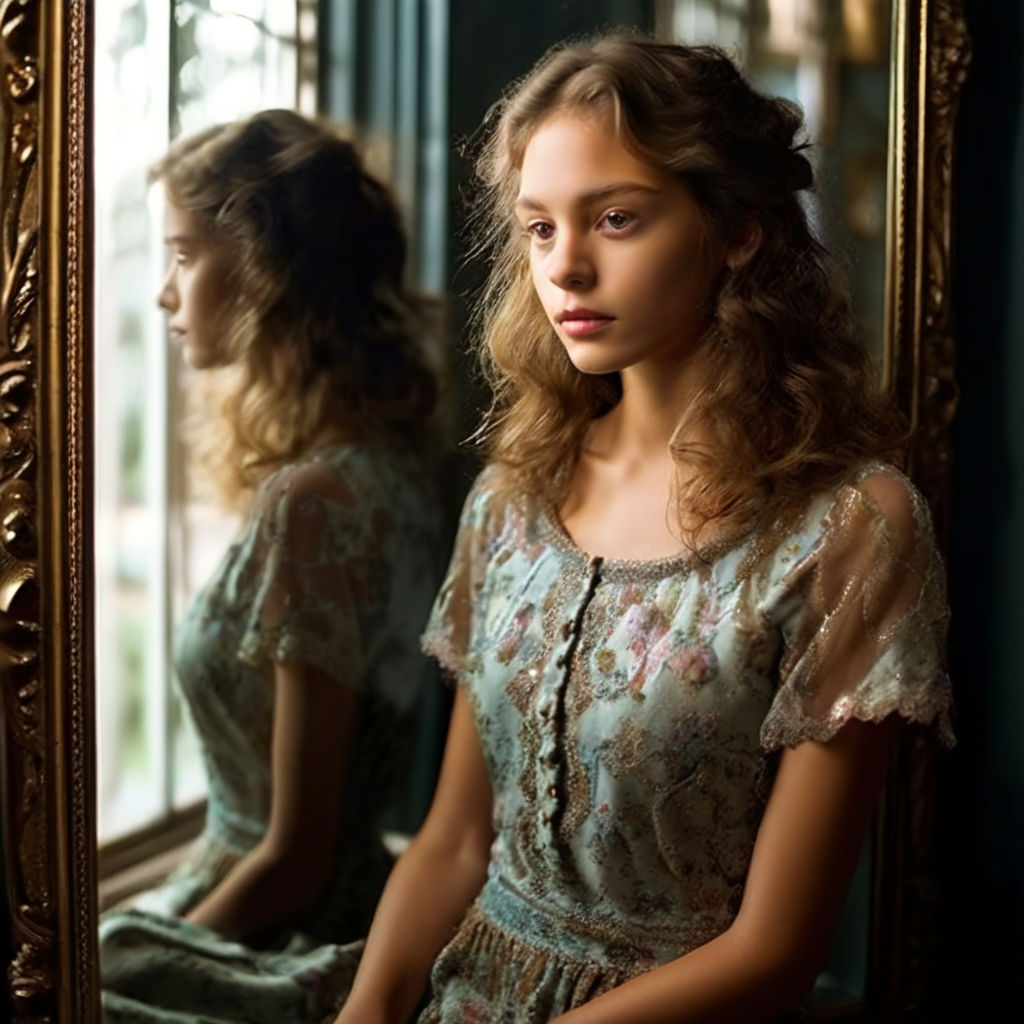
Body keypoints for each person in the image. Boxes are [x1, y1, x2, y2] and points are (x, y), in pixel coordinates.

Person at [334, 32, 954, 1024]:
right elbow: (453, 841)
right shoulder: (509, 495)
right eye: (539, 229)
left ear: (738, 229)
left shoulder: (849, 530)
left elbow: (775, 950)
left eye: (615, 218)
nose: (565, 268)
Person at [99, 108, 445, 1024]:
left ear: (260, 265)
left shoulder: (316, 503)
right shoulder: (396, 467)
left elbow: (295, 858)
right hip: (335, 897)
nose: (165, 296)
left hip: (276, 937)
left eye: (180, 254)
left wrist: (150, 952)